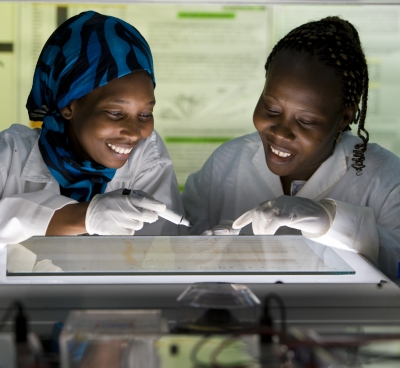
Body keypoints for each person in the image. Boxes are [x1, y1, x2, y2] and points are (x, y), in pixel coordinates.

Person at [182, 16, 400, 280]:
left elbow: (395, 264)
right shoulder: (225, 163)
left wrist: (332, 221)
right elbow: (175, 248)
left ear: (344, 117)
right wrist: (200, 251)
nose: (281, 132)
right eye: (271, 108)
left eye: (306, 120)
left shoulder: (385, 179)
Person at [0, 10, 185, 247]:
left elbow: (160, 258)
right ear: (68, 104)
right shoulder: (8, 155)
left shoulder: (145, 156)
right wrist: (83, 217)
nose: (134, 132)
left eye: (145, 114)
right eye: (115, 113)